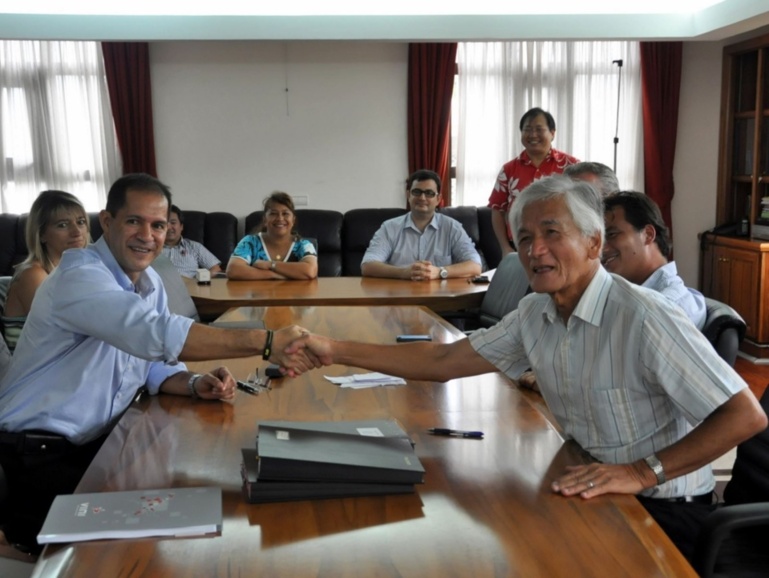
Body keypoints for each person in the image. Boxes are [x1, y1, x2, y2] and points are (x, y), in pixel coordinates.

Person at [289, 174, 767, 562]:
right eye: (524, 238)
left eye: (551, 233)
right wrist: (332, 348)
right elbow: (442, 360)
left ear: (593, 242)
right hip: (590, 483)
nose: (535, 250)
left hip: (663, 510)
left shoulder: (644, 315)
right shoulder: (536, 313)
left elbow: (746, 415)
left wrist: (642, 472)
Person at [0, 173, 319, 552]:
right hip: (40, 457)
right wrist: (265, 342)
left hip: (100, 445)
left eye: (158, 225)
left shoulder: (147, 280)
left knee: (206, 519)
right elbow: (149, 333)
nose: (147, 235)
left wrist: (191, 382)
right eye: (134, 221)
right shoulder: (79, 276)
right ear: (107, 221)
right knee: (149, 550)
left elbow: (148, 359)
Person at [603, 191, 707, 329]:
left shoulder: (665, 310)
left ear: (648, 234)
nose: (601, 249)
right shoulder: (626, 294)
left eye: (612, 234)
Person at [1, 190, 89, 351]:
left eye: (81, 222)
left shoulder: (80, 271)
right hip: (35, 368)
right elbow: (59, 334)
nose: (77, 232)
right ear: (41, 234)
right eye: (63, 225)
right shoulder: (33, 275)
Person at [488, 107, 578, 258]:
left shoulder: (571, 167)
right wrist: (505, 247)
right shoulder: (509, 170)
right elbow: (497, 209)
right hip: (520, 246)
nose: (532, 135)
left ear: (552, 133)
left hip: (562, 245)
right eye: (527, 130)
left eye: (539, 129)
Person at [361, 169, 482, 280]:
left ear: (438, 199)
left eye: (429, 193)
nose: (422, 197)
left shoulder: (452, 228)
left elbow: (475, 265)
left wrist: (440, 272)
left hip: (441, 297)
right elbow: (368, 265)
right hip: (399, 297)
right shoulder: (389, 228)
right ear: (408, 195)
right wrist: (403, 273)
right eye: (417, 192)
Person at [226, 191, 318, 280]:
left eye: (285, 213)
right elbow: (233, 270)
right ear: (265, 220)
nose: (280, 218)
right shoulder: (250, 242)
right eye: (273, 213)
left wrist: (270, 265)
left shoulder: (304, 245)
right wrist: (273, 275)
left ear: (293, 220)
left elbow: (310, 271)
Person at [161, 204, 222, 278]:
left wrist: (199, 281)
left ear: (181, 226)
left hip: (190, 286)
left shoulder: (194, 247)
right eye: (164, 223)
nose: (168, 227)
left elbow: (215, 268)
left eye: (173, 223)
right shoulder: (151, 248)